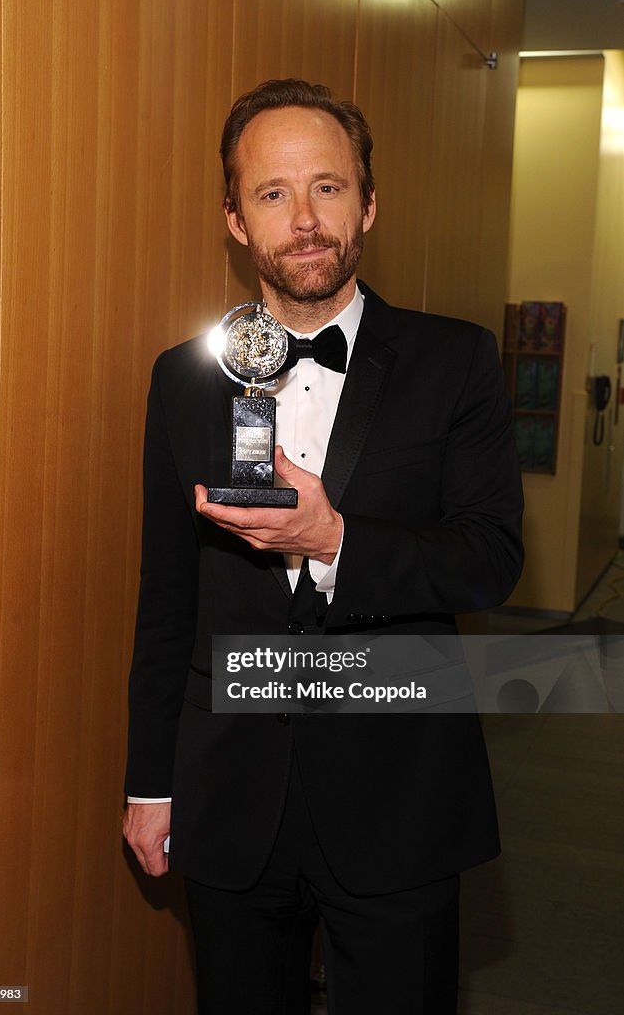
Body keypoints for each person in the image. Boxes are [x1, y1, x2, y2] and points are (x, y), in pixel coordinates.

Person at [123, 79, 523, 1014]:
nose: (303, 221)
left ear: (369, 202)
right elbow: (165, 599)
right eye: (271, 194)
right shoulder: (184, 382)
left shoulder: (453, 359)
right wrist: (151, 783)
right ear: (232, 218)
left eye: (328, 188)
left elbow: (488, 559)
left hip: (401, 800)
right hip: (229, 802)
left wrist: (334, 537)